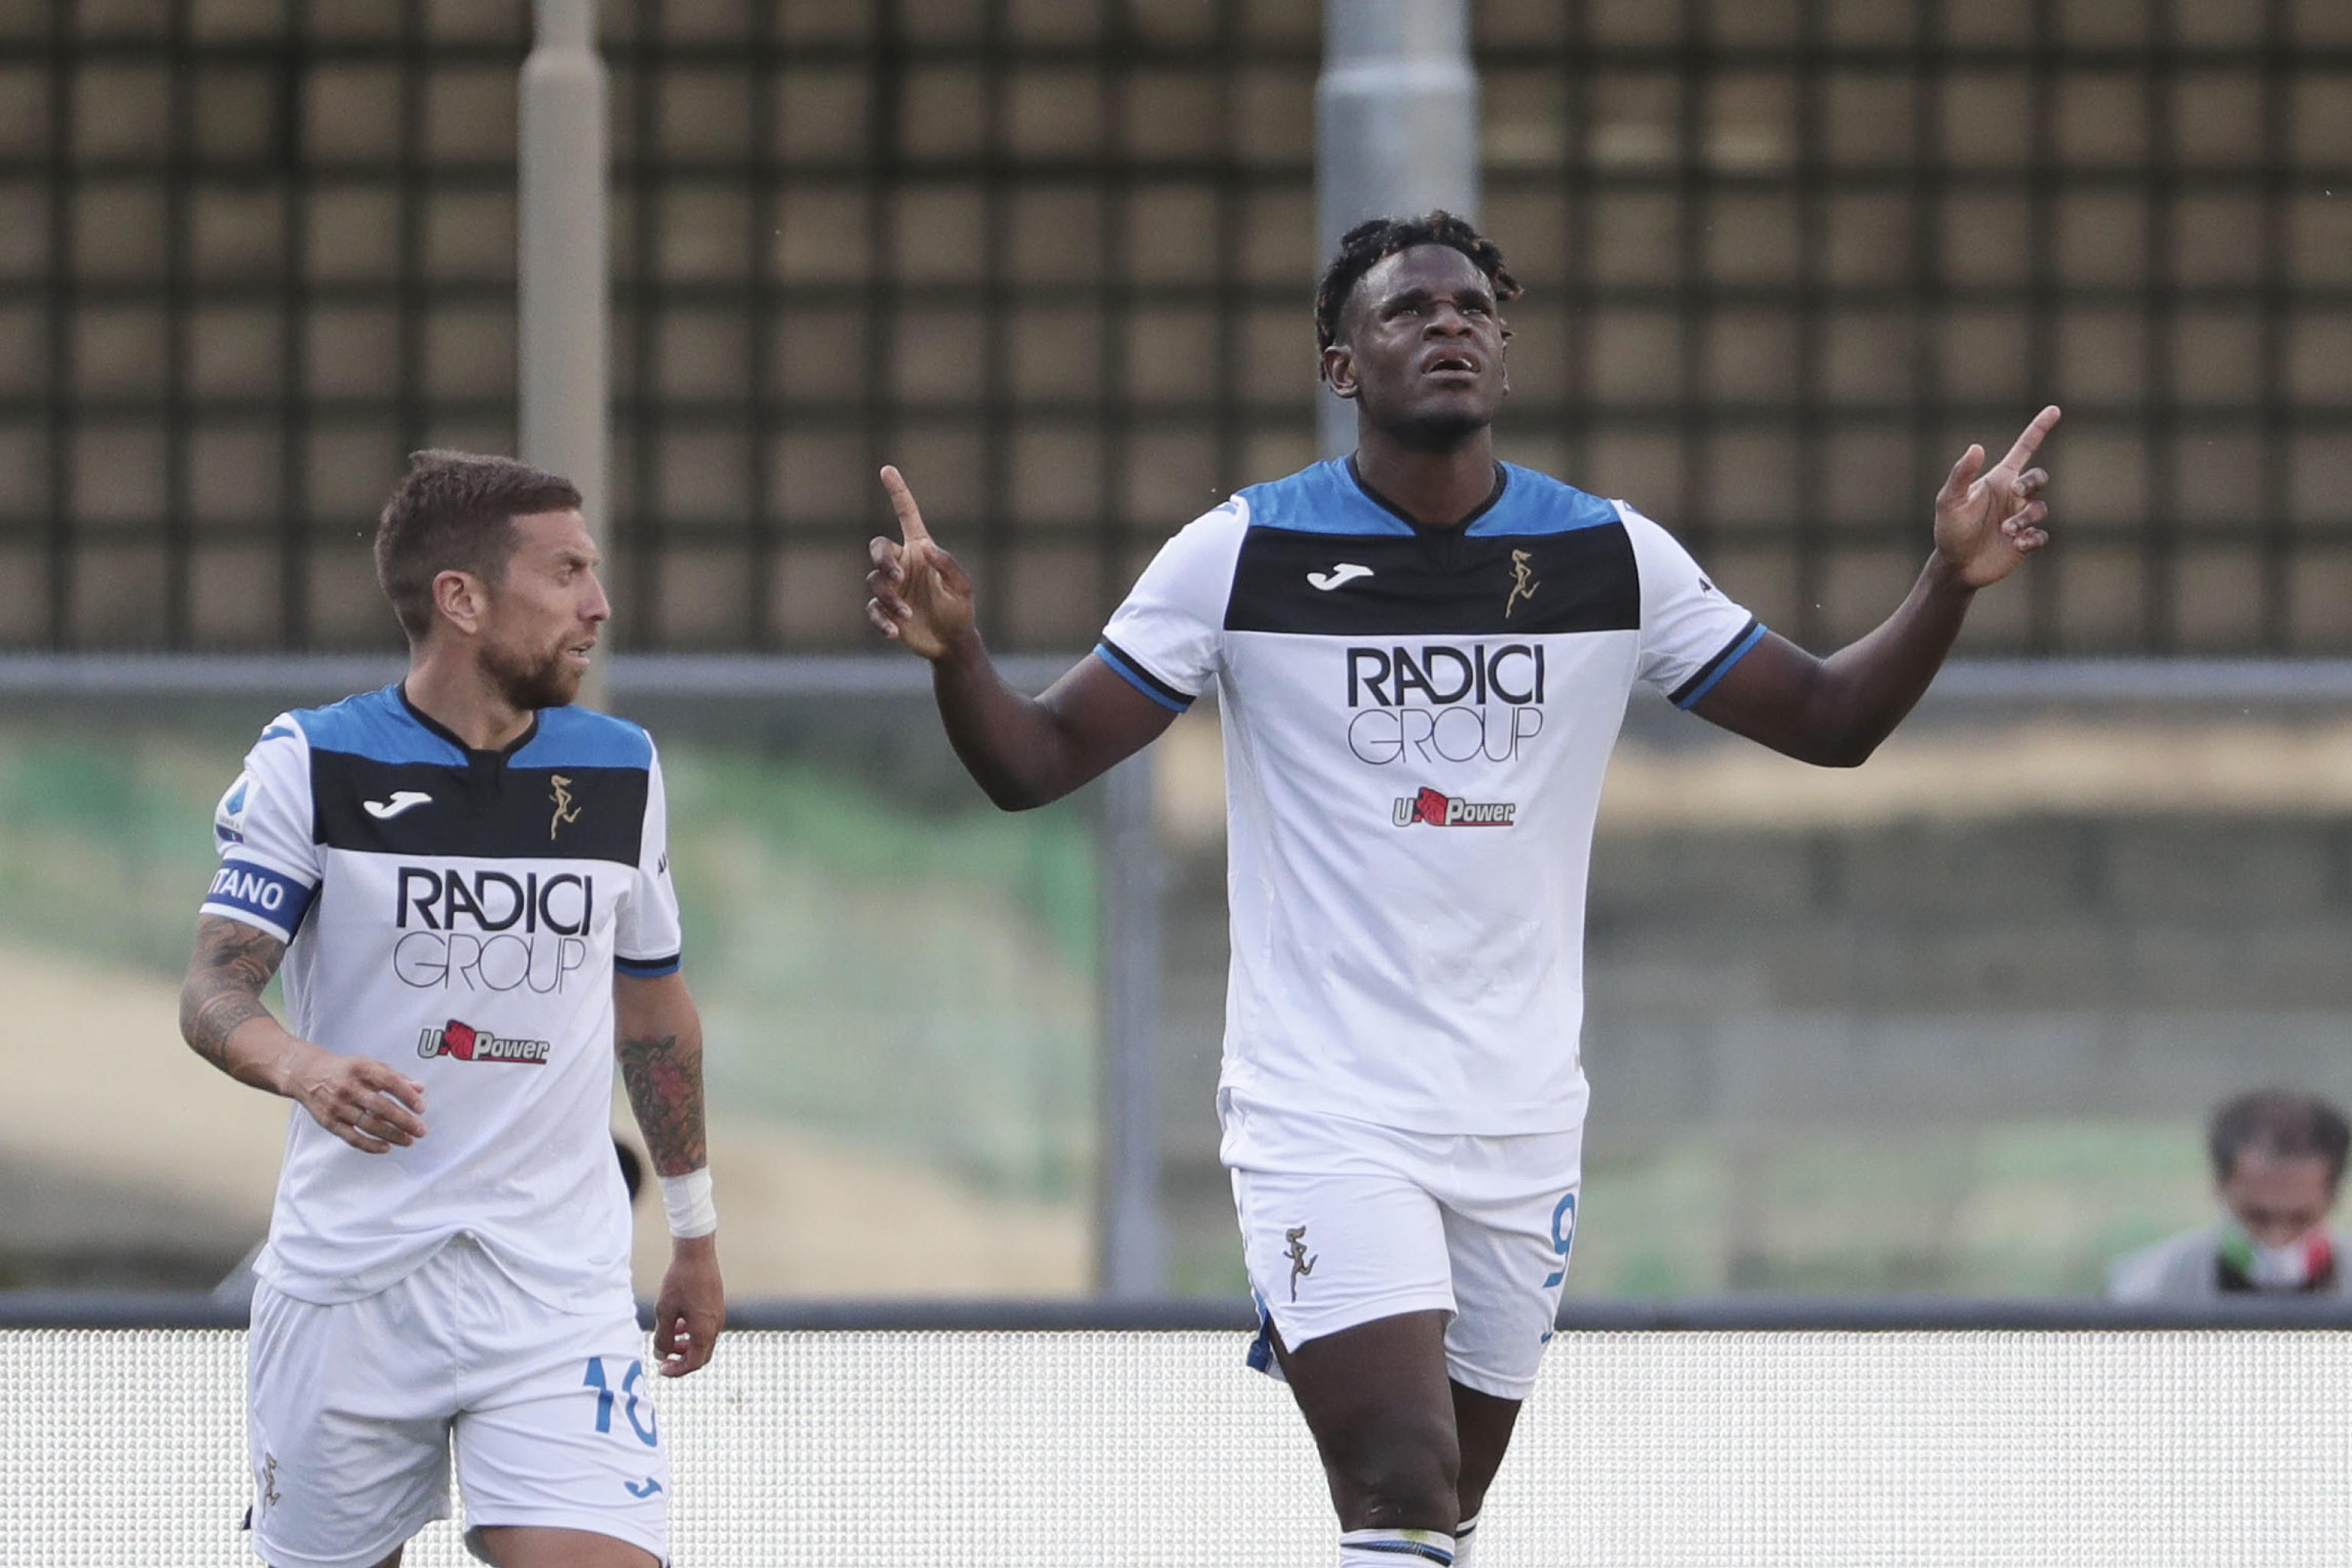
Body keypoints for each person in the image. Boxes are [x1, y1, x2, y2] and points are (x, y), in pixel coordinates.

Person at [865, 211, 2058, 1566]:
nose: (1449, 326)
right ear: (1339, 366)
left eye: (1473, 309)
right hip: (1325, 1107)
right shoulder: (1240, 553)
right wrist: (955, 655)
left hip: (1520, 1118)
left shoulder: (1611, 556)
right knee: (1400, 1475)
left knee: (1444, 1512)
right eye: (1407, 310)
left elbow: (1833, 719)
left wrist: (1948, 581)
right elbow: (1037, 759)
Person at [179, 451, 724, 1568]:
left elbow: (656, 1013)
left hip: (555, 1295)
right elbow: (214, 990)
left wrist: (696, 1231)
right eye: (566, 571)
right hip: (349, 1295)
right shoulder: (311, 760)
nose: (598, 604)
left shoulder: (621, 769)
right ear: (462, 599)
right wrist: (304, 1067)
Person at [2109, 1090, 2352, 1302]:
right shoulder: (2141, 1293)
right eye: (2257, 1217)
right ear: (2220, 1186)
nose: (2277, 1240)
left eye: (2300, 1218)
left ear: (2333, 1197)